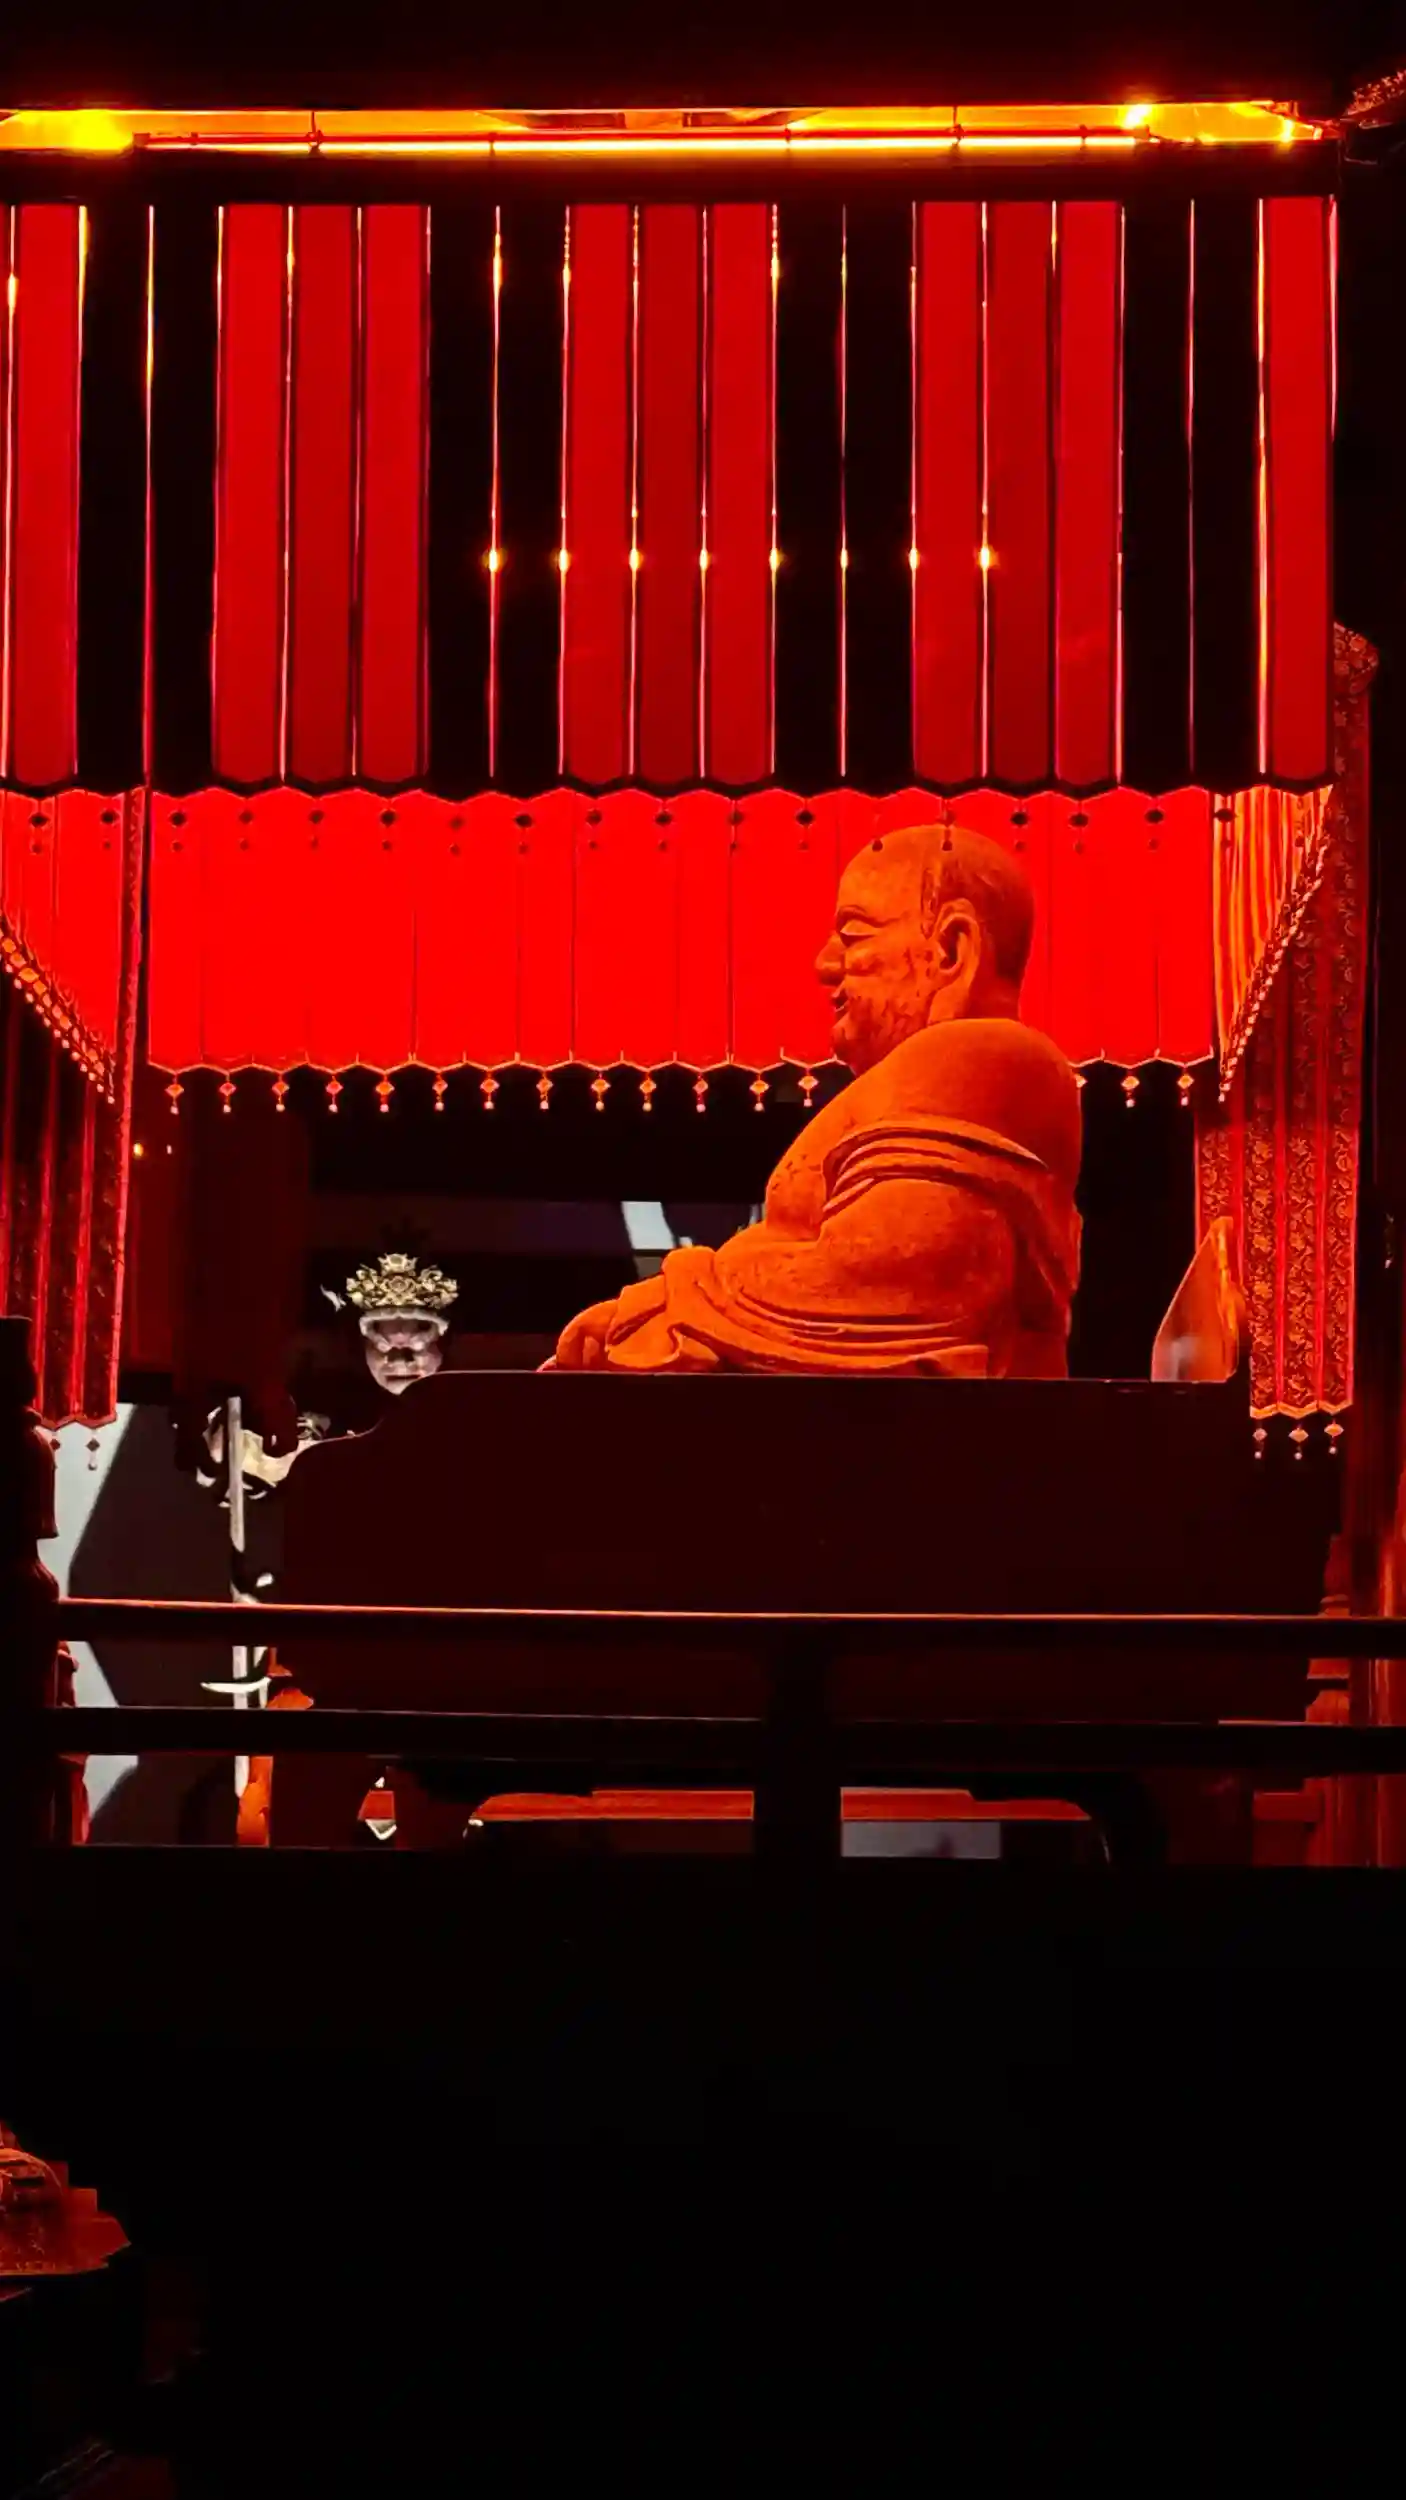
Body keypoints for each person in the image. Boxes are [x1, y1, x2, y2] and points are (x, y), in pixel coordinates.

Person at [554, 822, 1082, 1378]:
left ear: (952, 949)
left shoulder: (988, 1056)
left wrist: (671, 1306)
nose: (825, 965)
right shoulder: (926, 1072)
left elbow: (905, 1283)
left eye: (854, 936)